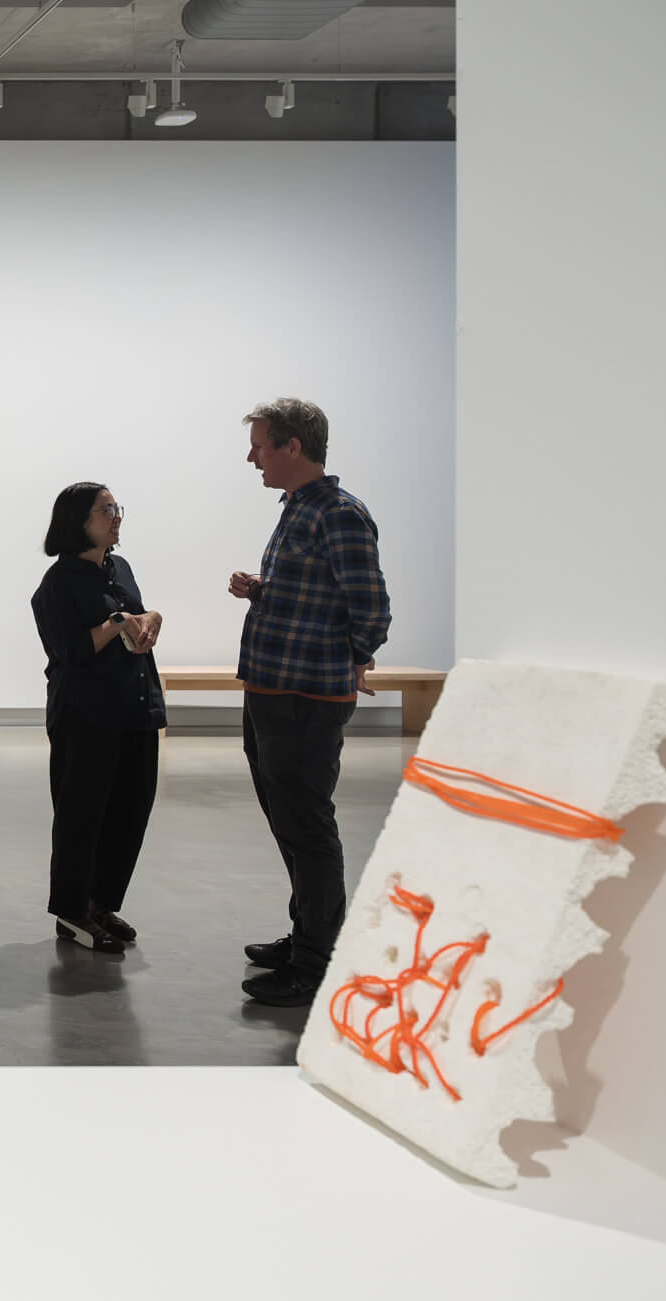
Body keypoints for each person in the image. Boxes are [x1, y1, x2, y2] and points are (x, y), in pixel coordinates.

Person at [229, 398, 391, 1007]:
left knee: (307, 826)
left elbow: (371, 606)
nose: (253, 457)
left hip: (303, 699)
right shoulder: (300, 508)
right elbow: (321, 592)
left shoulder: (341, 514)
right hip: (272, 691)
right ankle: (307, 935)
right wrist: (262, 590)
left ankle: (316, 960)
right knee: (289, 822)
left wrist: (352, 660)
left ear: (293, 446)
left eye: (261, 445)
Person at [30, 482, 166, 954]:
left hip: (135, 708)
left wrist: (150, 618)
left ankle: (101, 903)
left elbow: (132, 618)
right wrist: (115, 625)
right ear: (78, 521)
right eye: (105, 510)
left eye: (116, 508)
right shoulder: (58, 583)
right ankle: (72, 912)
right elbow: (70, 650)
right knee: (81, 815)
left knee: (129, 812)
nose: (116, 517)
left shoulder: (119, 568)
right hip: (86, 715)